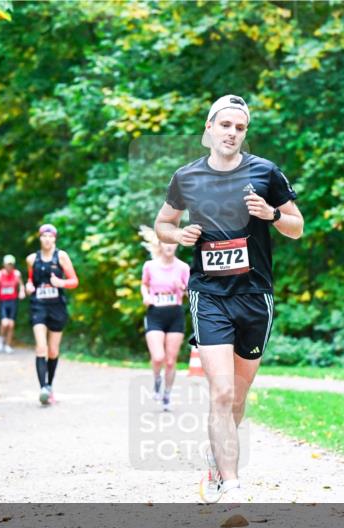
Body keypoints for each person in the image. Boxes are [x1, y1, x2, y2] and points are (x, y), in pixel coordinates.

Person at [153, 94, 304, 503]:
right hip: (210, 294)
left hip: (255, 296)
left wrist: (271, 214)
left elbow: (297, 226)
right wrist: (177, 235)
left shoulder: (265, 173)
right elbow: (163, 223)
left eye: (240, 128)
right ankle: (231, 486)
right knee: (220, 393)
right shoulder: (186, 177)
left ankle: (216, 458)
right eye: (225, 125)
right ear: (209, 129)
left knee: (237, 398)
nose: (232, 133)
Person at [25, 223, 79, 406]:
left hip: (57, 307)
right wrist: (28, 286)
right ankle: (43, 389)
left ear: (54, 238)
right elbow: (30, 280)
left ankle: (49, 385)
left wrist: (61, 283)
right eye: (44, 236)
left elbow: (74, 281)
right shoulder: (32, 259)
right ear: (39, 238)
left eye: (50, 236)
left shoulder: (61, 256)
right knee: (41, 347)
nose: (47, 240)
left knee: (53, 350)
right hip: (38, 306)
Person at [139, 226, 189, 411]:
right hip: (155, 314)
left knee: (170, 360)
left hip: (175, 314)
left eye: (173, 243)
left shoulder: (183, 267)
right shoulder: (149, 266)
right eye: (166, 242)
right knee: (158, 356)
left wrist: (182, 287)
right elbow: (144, 285)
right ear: (160, 244)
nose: (169, 246)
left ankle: (167, 393)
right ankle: (156, 380)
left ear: (176, 245)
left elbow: (191, 292)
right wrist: (146, 296)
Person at [0, 254, 26, 353]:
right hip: (3, 301)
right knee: (4, 322)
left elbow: (21, 285)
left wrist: (22, 292)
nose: (9, 266)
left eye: (11, 264)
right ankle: (1, 338)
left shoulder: (17, 274)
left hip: (13, 301)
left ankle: (8, 345)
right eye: (7, 264)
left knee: (11, 324)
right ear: (4, 264)